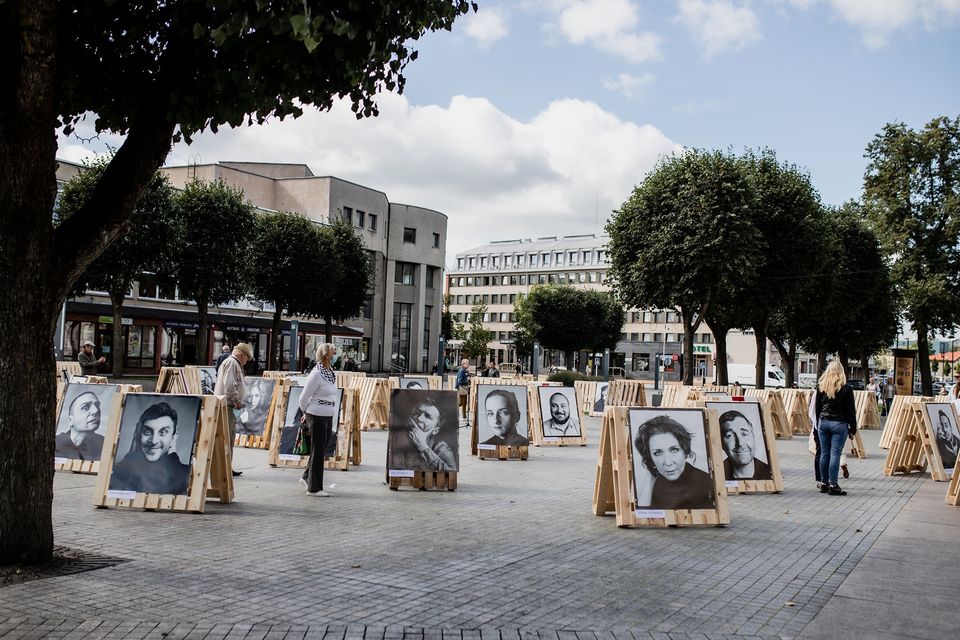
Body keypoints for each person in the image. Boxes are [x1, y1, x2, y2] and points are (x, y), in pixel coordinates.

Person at [633, 415, 715, 510]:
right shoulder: (654, 481)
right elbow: (643, 515)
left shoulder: (706, 482)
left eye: (674, 450)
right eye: (658, 453)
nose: (668, 462)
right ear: (650, 457)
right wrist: (649, 478)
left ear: (685, 450)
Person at [109, 401, 191, 494]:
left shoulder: (186, 473)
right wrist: (131, 457)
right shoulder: (122, 469)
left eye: (163, 432)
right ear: (138, 434)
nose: (153, 441)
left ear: (173, 437)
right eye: (147, 432)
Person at [298, 343, 338, 496]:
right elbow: (304, 397)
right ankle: (314, 488)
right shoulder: (316, 373)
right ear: (326, 355)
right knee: (318, 450)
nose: (335, 355)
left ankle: (307, 476)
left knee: (320, 449)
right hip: (317, 415)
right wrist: (306, 413)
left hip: (327, 415)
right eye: (333, 353)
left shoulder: (330, 373)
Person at [815, 360, 857, 496]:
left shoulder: (821, 386)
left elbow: (817, 407)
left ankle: (824, 483)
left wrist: (818, 422)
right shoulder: (846, 388)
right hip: (839, 424)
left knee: (824, 453)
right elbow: (851, 411)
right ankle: (833, 484)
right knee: (835, 454)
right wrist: (853, 429)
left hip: (823, 421)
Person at [389, 396, 457, 471]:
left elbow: (451, 472)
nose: (419, 418)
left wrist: (424, 447)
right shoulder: (396, 440)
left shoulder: (441, 448)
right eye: (417, 413)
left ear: (435, 430)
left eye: (427, 416)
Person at [214, 342, 252, 477]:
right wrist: (236, 401)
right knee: (226, 438)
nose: (247, 361)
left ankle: (227, 467)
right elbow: (229, 386)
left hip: (229, 405)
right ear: (242, 355)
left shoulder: (232, 363)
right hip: (228, 405)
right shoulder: (232, 363)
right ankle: (224, 468)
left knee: (229, 438)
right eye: (247, 358)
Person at [718, 410, 771, 480]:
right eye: (730, 436)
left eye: (744, 434)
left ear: (753, 435)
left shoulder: (769, 474)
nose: (740, 443)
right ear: (721, 442)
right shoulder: (716, 476)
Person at [55, 390, 105, 460]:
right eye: (85, 408)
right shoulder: (55, 443)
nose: (96, 410)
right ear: (70, 420)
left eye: (97, 405)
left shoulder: (105, 445)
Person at [455, 358, 471, 423]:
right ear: (463, 364)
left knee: (464, 402)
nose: (468, 364)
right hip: (462, 387)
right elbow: (460, 381)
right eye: (467, 363)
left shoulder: (465, 370)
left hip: (464, 387)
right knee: (461, 402)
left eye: (468, 363)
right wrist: (467, 382)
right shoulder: (462, 371)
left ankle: (464, 416)